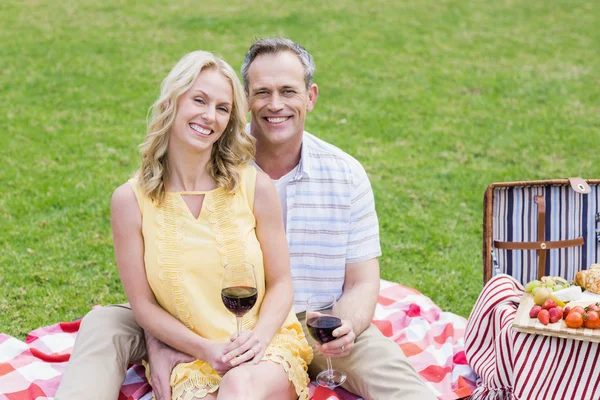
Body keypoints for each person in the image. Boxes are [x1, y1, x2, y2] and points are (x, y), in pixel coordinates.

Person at [56, 39, 437, 400]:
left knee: (390, 376)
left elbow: (362, 281)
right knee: (103, 324)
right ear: (248, 103)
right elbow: (152, 293)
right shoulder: (198, 168)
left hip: (303, 321)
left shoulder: (336, 175)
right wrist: (160, 344)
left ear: (311, 96)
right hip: (191, 321)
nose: (275, 105)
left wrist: (346, 326)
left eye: (288, 91)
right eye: (262, 93)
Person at [56, 50, 313, 400]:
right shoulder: (130, 202)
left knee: (239, 386)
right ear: (173, 101)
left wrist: (259, 339)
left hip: (265, 346)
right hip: (193, 357)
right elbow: (143, 306)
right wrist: (205, 350)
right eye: (199, 100)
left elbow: (282, 281)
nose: (209, 116)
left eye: (222, 108)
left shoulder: (254, 186)